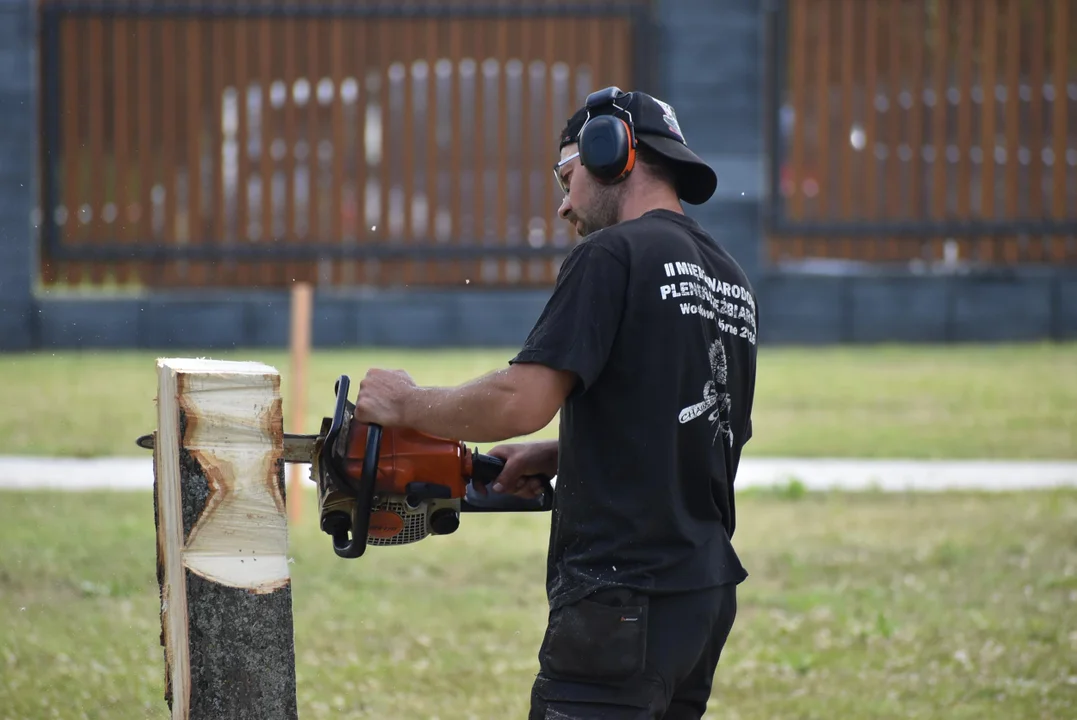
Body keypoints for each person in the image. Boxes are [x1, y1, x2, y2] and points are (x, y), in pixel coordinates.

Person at [354, 87, 759, 719]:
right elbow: (701, 420)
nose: (565, 205)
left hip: (620, 597)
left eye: (567, 177)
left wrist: (406, 404)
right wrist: (567, 452)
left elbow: (521, 400)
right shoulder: (730, 279)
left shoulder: (611, 254)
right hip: (700, 600)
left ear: (612, 153)